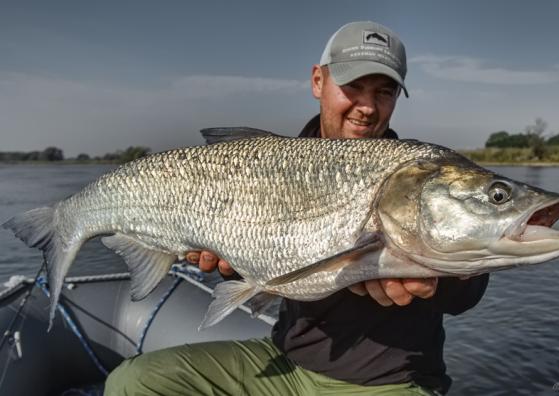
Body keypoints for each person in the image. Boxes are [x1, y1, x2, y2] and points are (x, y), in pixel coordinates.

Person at [105, 21, 489, 396]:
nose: (368, 107)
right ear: (318, 81)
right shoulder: (264, 165)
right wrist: (224, 261)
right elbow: (255, 267)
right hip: (286, 364)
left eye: (384, 92)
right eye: (353, 86)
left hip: (390, 382)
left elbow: (466, 292)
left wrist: (440, 279)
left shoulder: (415, 175)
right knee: (132, 382)